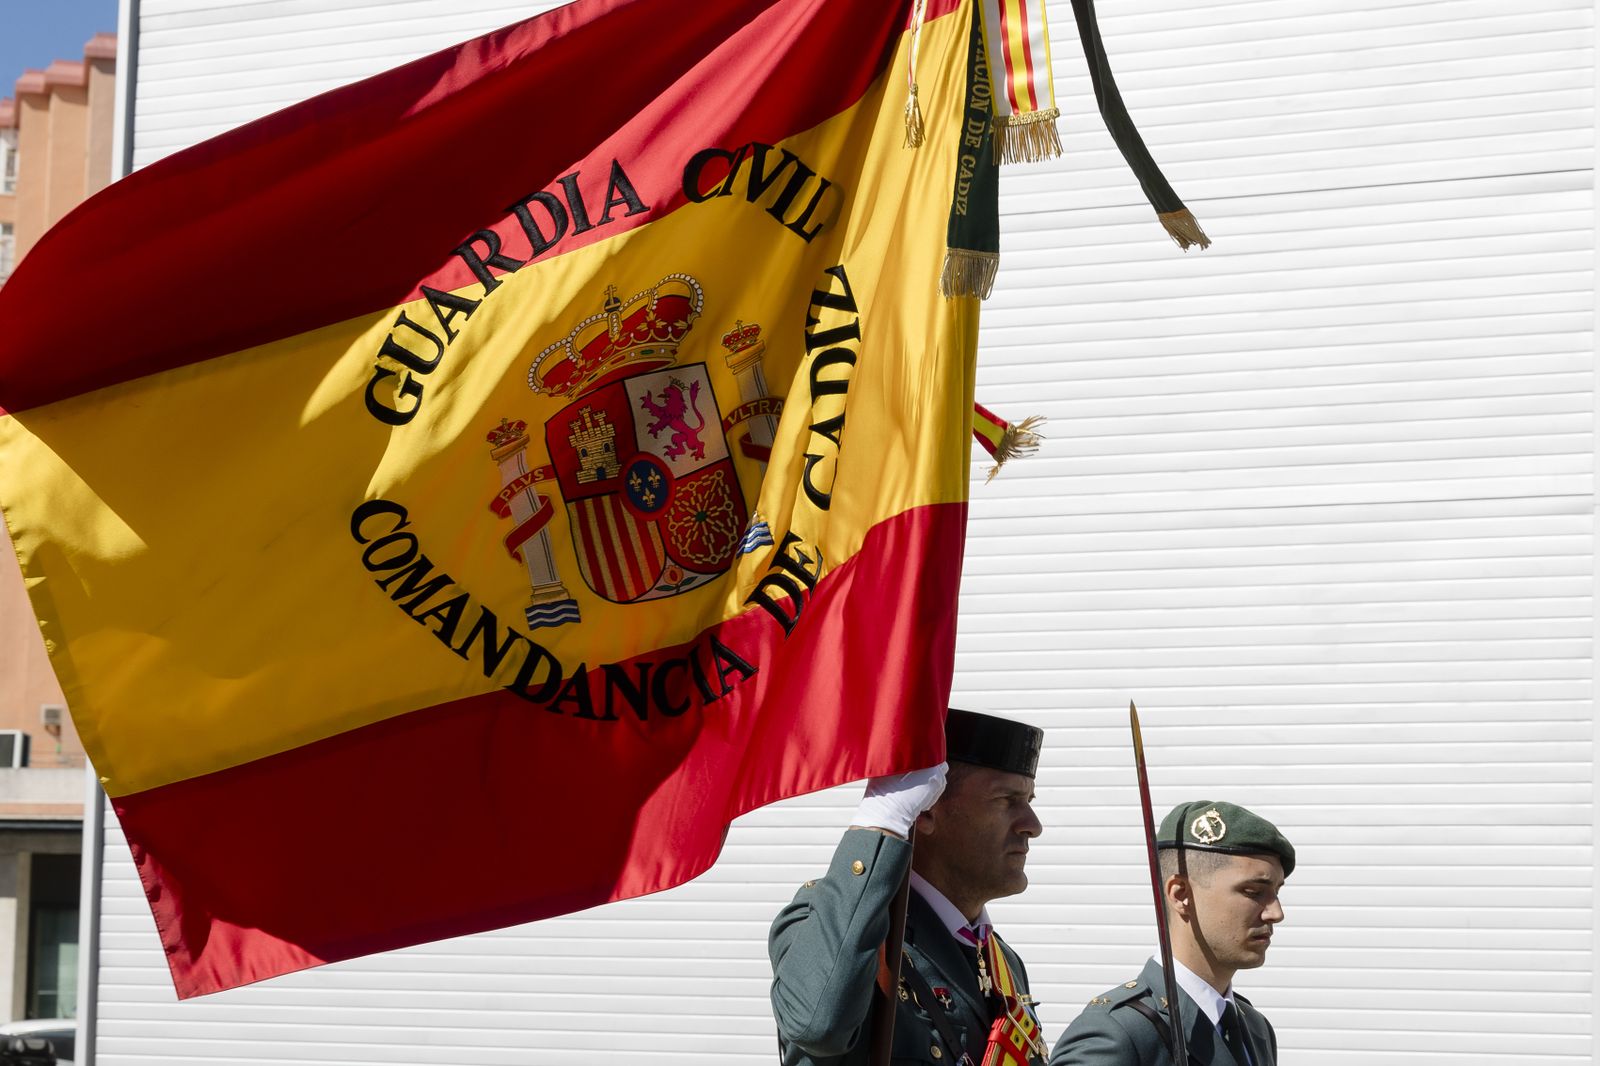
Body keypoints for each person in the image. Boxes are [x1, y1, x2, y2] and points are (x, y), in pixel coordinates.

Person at [769, 709, 1048, 1066]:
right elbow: (817, 1025)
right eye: (1007, 801)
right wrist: (880, 821)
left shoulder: (1001, 962)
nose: (1032, 825)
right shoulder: (836, 926)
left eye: (1029, 802)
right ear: (927, 810)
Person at [1050, 800, 1294, 1066]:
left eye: (1276, 893)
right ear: (1181, 894)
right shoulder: (1117, 1032)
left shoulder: (1255, 1028)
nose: (1276, 913)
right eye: (1253, 892)